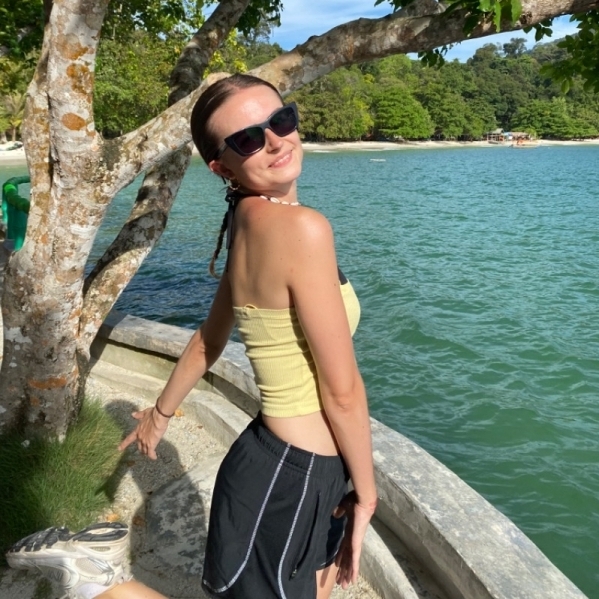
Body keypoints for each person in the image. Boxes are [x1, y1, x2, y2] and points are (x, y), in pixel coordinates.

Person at [6, 74, 377, 599]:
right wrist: (367, 492)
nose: (275, 141)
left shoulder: (249, 219)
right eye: (248, 139)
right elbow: (341, 392)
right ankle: (96, 577)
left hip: (292, 466)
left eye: (281, 120)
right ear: (221, 167)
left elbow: (208, 339)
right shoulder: (301, 228)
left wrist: (160, 415)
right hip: (290, 478)